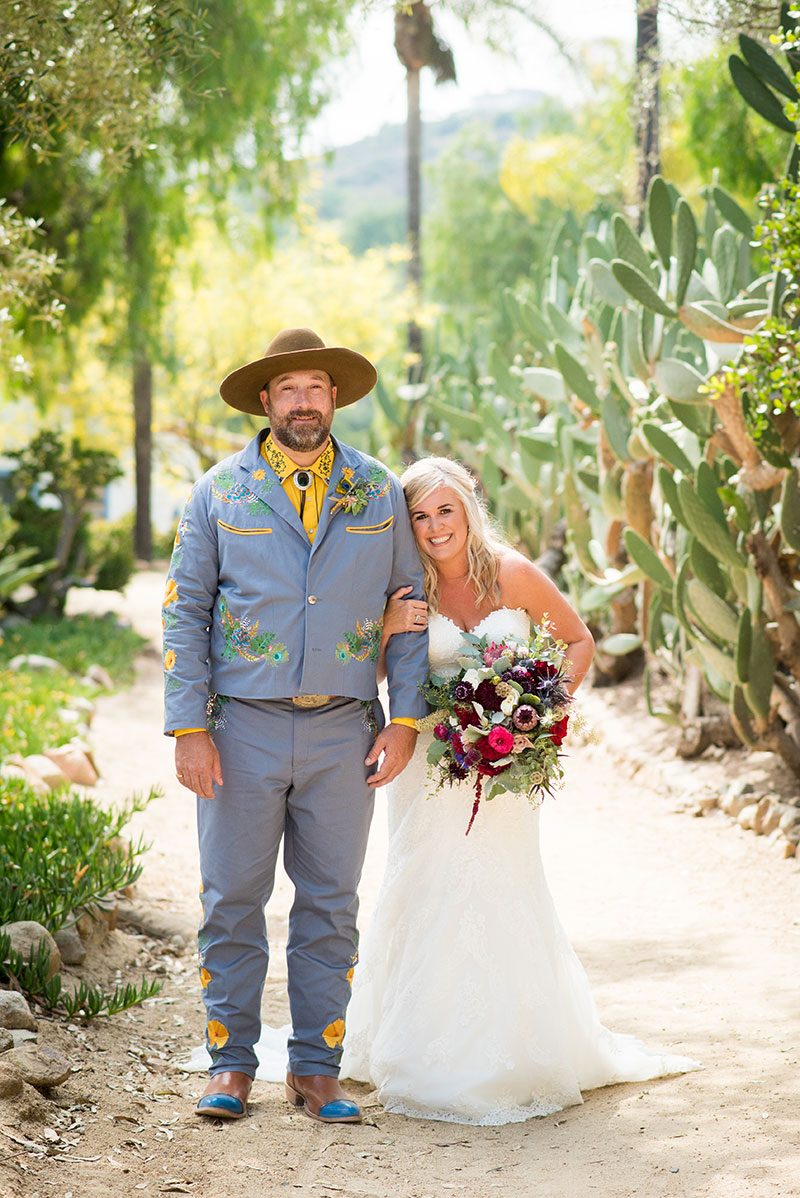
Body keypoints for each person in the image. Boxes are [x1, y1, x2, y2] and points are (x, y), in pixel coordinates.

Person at [340, 456, 699, 1125]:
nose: (434, 526)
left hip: (504, 768)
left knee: (504, 885)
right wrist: (388, 631)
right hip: (431, 761)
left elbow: (578, 641)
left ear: (470, 507)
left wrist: (535, 722)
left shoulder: (513, 573)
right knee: (424, 882)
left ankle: (515, 1048)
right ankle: (413, 1041)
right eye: (419, 515)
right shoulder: (403, 585)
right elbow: (372, 668)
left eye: (446, 510)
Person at [162, 327, 429, 1123]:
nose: (304, 401)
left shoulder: (379, 492)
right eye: (289, 389)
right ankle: (229, 1066)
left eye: (317, 387)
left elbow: (409, 613)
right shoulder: (219, 492)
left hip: (344, 732)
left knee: (329, 903)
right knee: (231, 901)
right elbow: (183, 615)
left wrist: (407, 718)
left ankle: (317, 1070)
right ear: (267, 401)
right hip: (239, 728)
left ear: (335, 398)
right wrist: (189, 729)